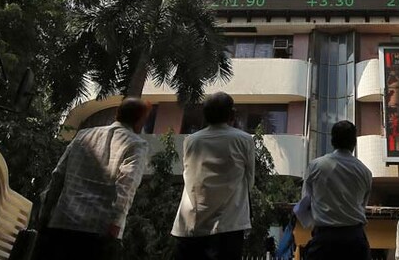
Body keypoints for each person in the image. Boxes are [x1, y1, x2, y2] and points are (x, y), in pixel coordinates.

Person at [36, 98, 151, 260]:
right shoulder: (136, 144)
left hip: (61, 223)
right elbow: (126, 188)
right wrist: (115, 226)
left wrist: (45, 214)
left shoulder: (83, 135)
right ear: (140, 121)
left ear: (117, 113)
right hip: (97, 231)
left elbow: (58, 176)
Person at [171, 92, 256, 260]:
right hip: (228, 226)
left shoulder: (191, 140)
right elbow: (249, 181)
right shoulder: (244, 140)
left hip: (191, 223)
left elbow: (189, 174)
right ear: (232, 113)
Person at [301, 120, 373, 259]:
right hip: (355, 241)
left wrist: (315, 228)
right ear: (354, 142)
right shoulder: (365, 172)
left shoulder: (315, 166)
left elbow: (304, 205)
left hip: (323, 241)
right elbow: (362, 206)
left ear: (332, 141)